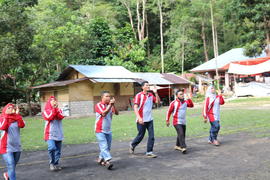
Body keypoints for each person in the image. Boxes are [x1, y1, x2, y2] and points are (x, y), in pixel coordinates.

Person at [129, 81, 160, 158]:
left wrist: (156, 93)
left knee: (152, 136)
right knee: (140, 135)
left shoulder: (150, 95)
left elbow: (157, 102)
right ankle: (133, 145)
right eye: (146, 85)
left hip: (149, 120)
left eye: (149, 85)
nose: (148, 86)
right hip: (141, 120)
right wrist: (139, 118)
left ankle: (149, 152)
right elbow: (135, 107)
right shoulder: (139, 95)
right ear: (142, 87)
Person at [0, 103, 25, 180]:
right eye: (9, 108)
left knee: (13, 165)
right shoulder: (2, 118)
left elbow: (22, 125)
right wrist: (7, 115)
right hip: (6, 147)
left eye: (12, 107)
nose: (11, 109)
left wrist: (17, 115)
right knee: (11, 164)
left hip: (17, 146)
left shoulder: (17, 118)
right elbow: (3, 127)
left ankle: (8, 174)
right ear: (5, 109)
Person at [95, 91, 119, 170]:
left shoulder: (110, 105)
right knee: (104, 146)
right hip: (99, 130)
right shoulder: (98, 105)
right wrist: (110, 105)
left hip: (108, 130)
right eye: (107, 96)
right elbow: (104, 113)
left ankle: (100, 159)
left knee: (107, 147)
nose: (109, 97)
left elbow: (117, 113)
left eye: (109, 96)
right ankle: (107, 161)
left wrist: (113, 105)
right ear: (102, 97)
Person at [166, 89, 194, 153]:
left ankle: (177, 145)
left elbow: (192, 105)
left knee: (182, 134)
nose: (182, 95)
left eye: (182, 94)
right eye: (180, 94)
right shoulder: (173, 103)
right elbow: (169, 112)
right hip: (176, 121)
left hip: (183, 121)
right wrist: (167, 120)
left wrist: (189, 98)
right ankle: (183, 147)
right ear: (177, 96)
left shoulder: (185, 102)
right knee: (181, 133)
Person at [42, 96, 65, 171]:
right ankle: (51, 163)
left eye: (55, 100)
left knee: (58, 150)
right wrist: (54, 109)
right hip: (49, 134)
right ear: (49, 102)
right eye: (52, 101)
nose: (54, 102)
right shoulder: (45, 111)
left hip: (58, 133)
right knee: (52, 148)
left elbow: (60, 117)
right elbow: (49, 117)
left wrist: (56, 109)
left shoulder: (60, 110)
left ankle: (56, 163)